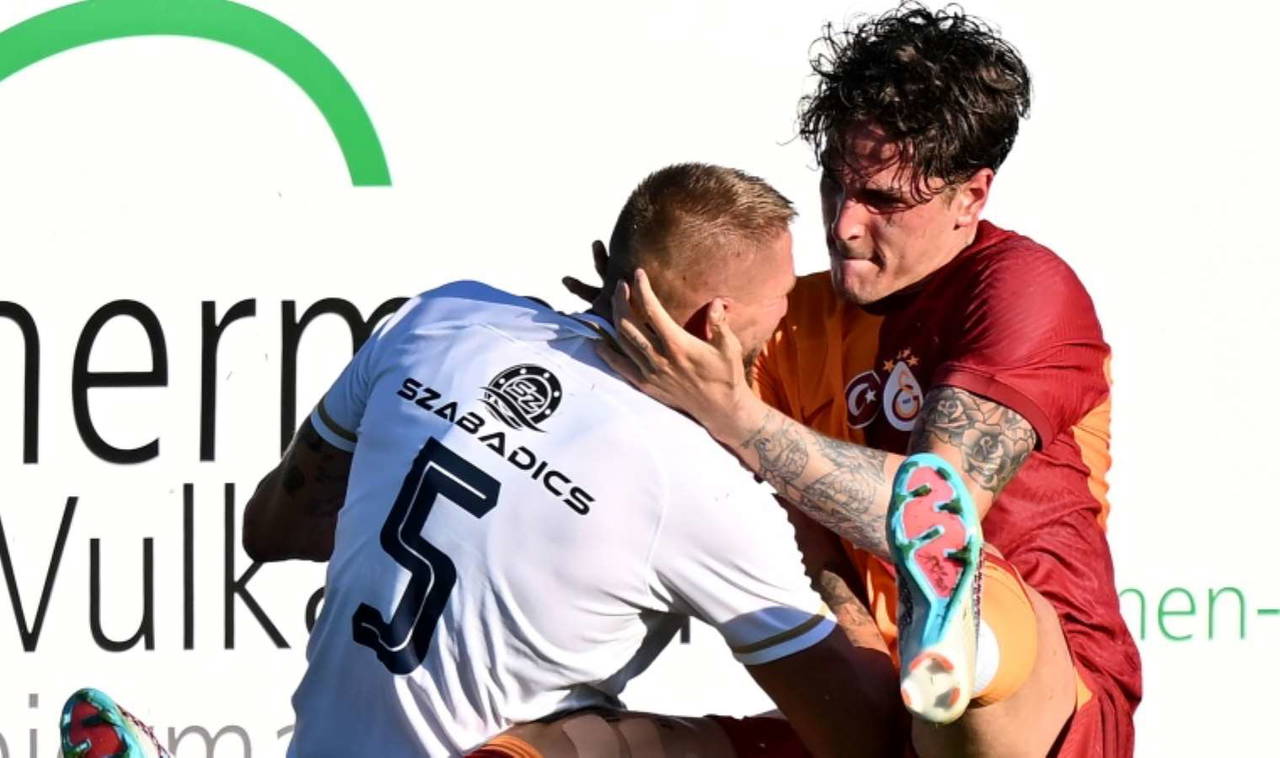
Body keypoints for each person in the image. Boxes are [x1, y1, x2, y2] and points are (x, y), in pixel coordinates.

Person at [59, 163, 901, 758]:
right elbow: (861, 737)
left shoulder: (445, 317)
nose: (784, 332)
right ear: (715, 322)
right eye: (780, 311)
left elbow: (273, 527)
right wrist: (812, 529)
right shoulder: (705, 485)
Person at [577, 5, 1141, 758]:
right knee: (584, 746)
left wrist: (732, 411)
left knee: (953, 574)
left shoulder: (1021, 288)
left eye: (883, 201)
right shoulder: (789, 321)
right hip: (900, 702)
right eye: (834, 185)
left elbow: (936, 507)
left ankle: (962, 647)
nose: (843, 224)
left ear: (971, 197)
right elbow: (816, 549)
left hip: (1049, 708)